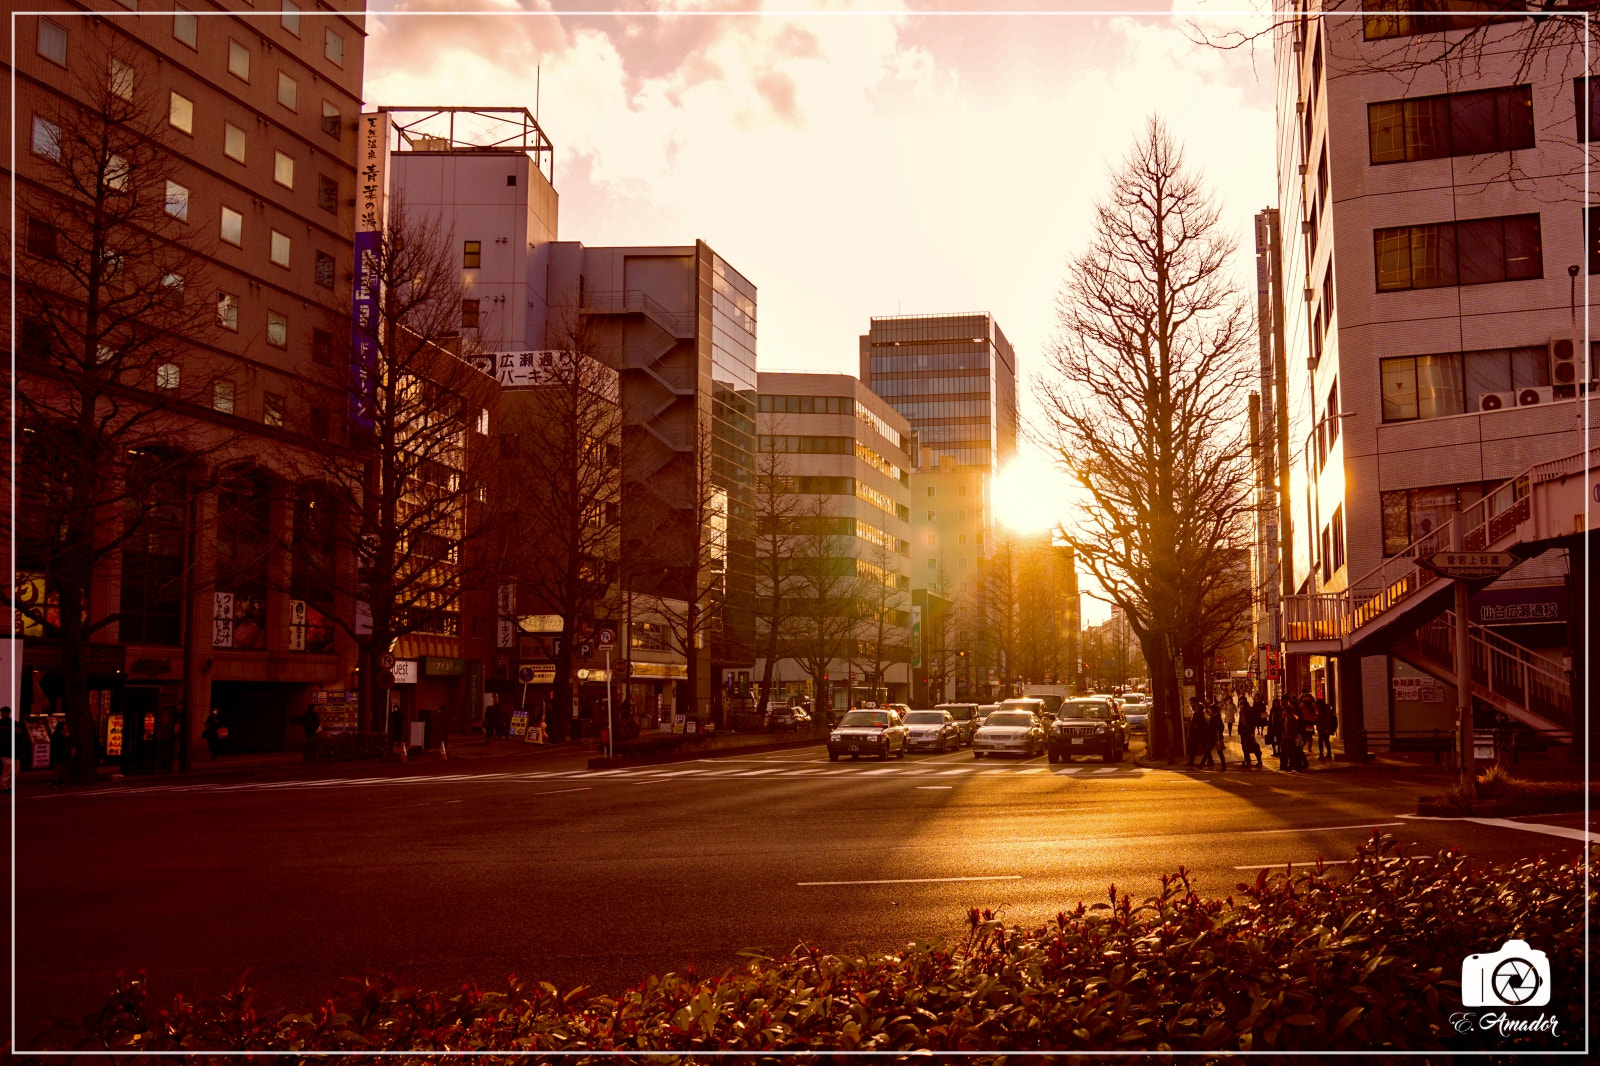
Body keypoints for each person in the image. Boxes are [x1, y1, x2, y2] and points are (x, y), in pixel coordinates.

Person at [1185, 698, 1207, 767]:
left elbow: (1200, 722)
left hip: (1199, 732)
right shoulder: (1196, 710)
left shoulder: (1199, 711)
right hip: (1197, 732)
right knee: (1194, 747)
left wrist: (1194, 726)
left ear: (1195, 703)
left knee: (1203, 747)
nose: (1190, 704)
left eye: (1191, 703)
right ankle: (1191, 761)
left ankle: (1191, 761)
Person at [1207, 701, 1227, 772]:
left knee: (1219, 752)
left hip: (1216, 738)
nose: (1209, 711)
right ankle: (1207, 763)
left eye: (1210, 710)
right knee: (1210, 750)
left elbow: (1220, 727)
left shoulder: (1216, 718)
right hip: (1214, 737)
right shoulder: (1214, 717)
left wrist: (1217, 734)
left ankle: (1223, 766)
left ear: (1213, 710)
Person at [51, 719, 71, 787]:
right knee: (58, 770)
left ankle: (61, 782)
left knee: (63, 769)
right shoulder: (57, 734)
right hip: (58, 755)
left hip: (64, 754)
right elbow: (56, 745)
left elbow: (68, 742)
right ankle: (55, 783)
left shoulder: (65, 734)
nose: (66, 727)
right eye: (65, 726)